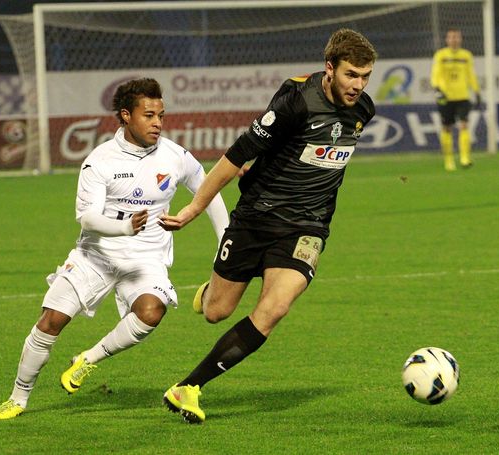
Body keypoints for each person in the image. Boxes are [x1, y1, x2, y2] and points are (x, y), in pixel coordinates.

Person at [157, 28, 377, 424]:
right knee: (216, 312)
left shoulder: (363, 111)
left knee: (275, 308)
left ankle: (188, 387)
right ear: (330, 68)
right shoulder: (295, 101)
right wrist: (194, 208)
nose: (358, 86)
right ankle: (210, 291)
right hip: (257, 216)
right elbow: (238, 154)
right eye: (351, 75)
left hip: (307, 228)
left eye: (365, 77)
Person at [0, 78, 229, 420]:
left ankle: (88, 359)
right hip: (96, 255)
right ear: (126, 116)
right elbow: (87, 218)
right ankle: (18, 398)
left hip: (146, 257)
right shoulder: (100, 161)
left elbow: (210, 191)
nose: (158, 122)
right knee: (50, 321)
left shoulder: (176, 156)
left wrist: (225, 241)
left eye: (161, 114)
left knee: (151, 312)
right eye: (149, 115)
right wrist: (125, 227)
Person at [430, 27, 481, 171]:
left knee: (464, 124)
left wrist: (476, 91)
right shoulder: (441, 55)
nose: (454, 40)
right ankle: (449, 160)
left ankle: (465, 158)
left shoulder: (466, 55)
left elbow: (471, 74)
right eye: (451, 37)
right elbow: (435, 74)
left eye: (457, 37)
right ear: (447, 39)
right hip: (446, 97)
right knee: (447, 128)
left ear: (461, 39)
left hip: (463, 96)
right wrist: (437, 88)